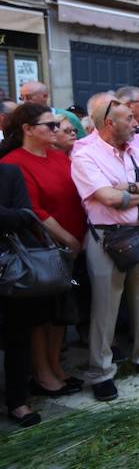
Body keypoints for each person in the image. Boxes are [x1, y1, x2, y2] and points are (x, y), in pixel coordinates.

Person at [70, 94, 139, 401]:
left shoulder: (134, 150)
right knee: (105, 307)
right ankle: (102, 370)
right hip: (108, 238)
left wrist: (130, 189)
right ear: (109, 123)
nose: (135, 123)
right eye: (128, 119)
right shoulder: (85, 154)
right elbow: (107, 198)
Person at [0, 104, 87, 401]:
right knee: (42, 315)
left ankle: (55, 367)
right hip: (43, 250)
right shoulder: (15, 162)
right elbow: (34, 210)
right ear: (27, 129)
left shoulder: (59, 158)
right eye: (50, 126)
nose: (57, 131)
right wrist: (68, 239)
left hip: (71, 249)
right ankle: (42, 373)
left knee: (61, 311)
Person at [0, 165, 43, 427]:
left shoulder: (9, 173)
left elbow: (25, 215)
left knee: (17, 334)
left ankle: (17, 401)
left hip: (12, 267)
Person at [19, 81, 85, 139]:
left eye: (29, 97)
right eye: (21, 98)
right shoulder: (20, 118)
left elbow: (82, 143)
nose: (25, 101)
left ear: (45, 96)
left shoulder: (68, 116)